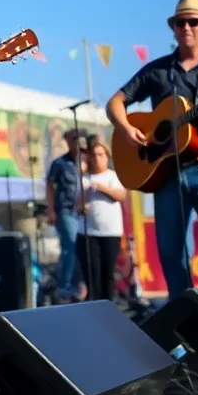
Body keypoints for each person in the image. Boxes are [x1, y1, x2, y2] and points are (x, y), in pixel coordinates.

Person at [106, 0, 198, 300]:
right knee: (170, 253)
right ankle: (185, 320)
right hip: (166, 170)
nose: (186, 27)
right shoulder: (158, 70)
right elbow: (115, 102)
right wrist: (126, 128)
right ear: (173, 28)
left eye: (193, 21)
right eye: (180, 22)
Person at [74, 138, 126, 302]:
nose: (97, 158)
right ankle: (93, 304)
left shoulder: (112, 176)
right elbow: (76, 206)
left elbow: (121, 195)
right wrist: (83, 205)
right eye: (94, 155)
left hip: (110, 233)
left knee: (107, 273)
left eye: (101, 154)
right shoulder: (83, 179)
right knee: (92, 274)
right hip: (88, 233)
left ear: (107, 157)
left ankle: (108, 304)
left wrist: (103, 188)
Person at [45, 128, 89, 303]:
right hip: (66, 210)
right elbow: (50, 187)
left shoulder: (87, 161)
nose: (78, 142)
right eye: (74, 139)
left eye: (80, 138)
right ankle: (65, 287)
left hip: (85, 213)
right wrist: (51, 210)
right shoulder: (60, 163)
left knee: (83, 250)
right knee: (70, 246)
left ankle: (83, 286)